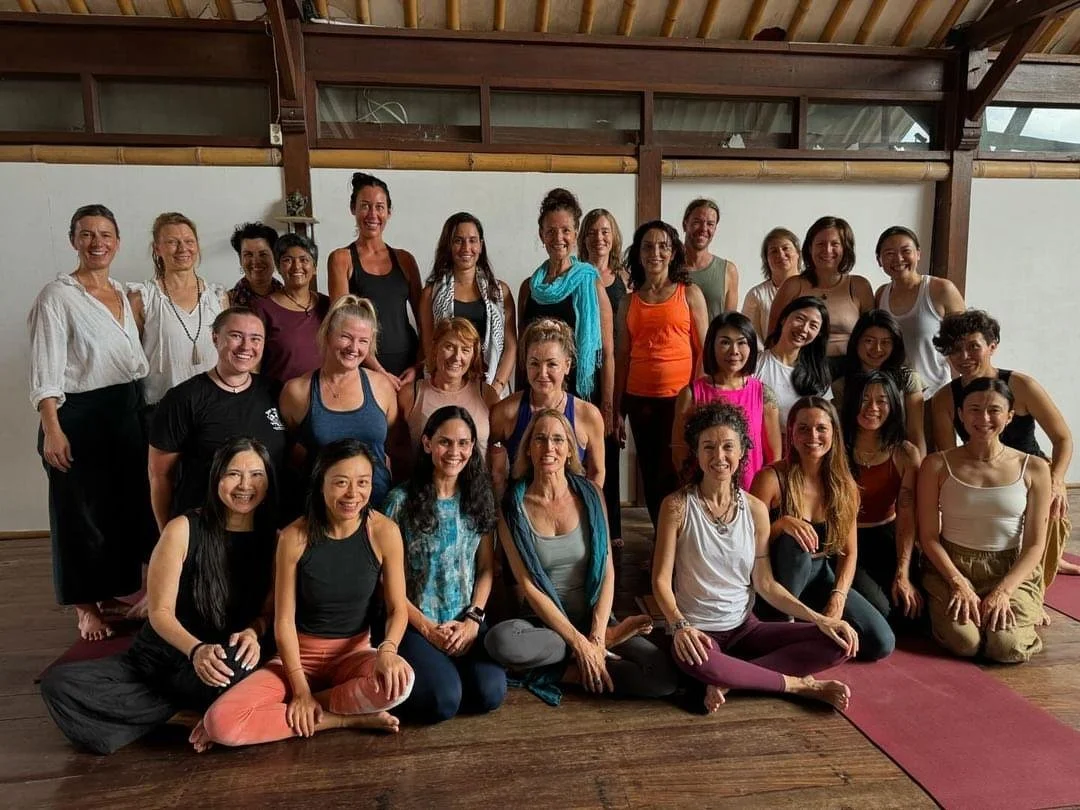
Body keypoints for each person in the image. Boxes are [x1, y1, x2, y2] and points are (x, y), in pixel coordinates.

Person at [40, 438, 278, 754]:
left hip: (218, 661)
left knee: (238, 672)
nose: (245, 485)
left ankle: (165, 712)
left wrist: (254, 632)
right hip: (164, 656)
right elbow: (160, 612)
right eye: (234, 474)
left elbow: (266, 613)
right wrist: (196, 651)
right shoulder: (182, 528)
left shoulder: (276, 539)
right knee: (59, 685)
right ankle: (186, 715)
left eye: (256, 475)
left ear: (268, 481)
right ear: (216, 477)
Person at [199, 439, 415, 746]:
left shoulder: (385, 532)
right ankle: (341, 720)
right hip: (297, 657)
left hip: (353, 654)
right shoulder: (293, 537)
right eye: (341, 483)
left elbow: (397, 608)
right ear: (321, 482)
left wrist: (389, 651)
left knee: (400, 683)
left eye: (363, 483)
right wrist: (300, 691)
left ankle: (297, 711)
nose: (353, 494)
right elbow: (283, 621)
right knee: (219, 724)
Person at [653, 402, 854, 714]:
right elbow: (660, 582)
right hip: (698, 633)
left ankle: (730, 679)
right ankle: (798, 685)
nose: (719, 457)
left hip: (746, 627)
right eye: (709, 447)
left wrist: (820, 619)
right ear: (696, 451)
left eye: (728, 447)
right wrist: (679, 626)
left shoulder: (755, 509)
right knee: (699, 659)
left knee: (838, 641)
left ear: (742, 450)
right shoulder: (677, 506)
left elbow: (765, 584)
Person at [485, 409, 678, 704]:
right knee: (499, 641)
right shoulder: (512, 506)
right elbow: (529, 587)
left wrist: (597, 636)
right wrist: (580, 643)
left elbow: (608, 571)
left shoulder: (590, 494)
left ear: (569, 449)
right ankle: (581, 668)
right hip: (544, 627)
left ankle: (583, 659)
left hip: (594, 618)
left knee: (661, 677)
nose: (549, 448)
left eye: (558, 440)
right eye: (540, 439)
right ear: (528, 447)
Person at [29, 204, 156, 641]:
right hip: (77, 413)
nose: (97, 242)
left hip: (126, 407)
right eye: (87, 234)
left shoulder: (124, 293)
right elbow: (46, 367)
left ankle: (113, 590)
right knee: (78, 511)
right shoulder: (58, 296)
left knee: (121, 504)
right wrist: (52, 426)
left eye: (105, 234)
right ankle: (85, 607)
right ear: (73, 241)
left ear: (118, 242)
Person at [382, 407, 507, 723]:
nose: (455, 452)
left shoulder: (479, 498)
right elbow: (384, 580)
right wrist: (426, 628)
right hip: (415, 622)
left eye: (464, 443)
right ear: (426, 443)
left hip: (465, 620)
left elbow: (486, 569)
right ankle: (433, 676)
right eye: (445, 442)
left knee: (490, 693)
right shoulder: (400, 501)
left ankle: (442, 673)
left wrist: (472, 620)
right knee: (443, 702)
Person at [929, 310, 1074, 580]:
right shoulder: (945, 399)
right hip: (982, 472)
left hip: (1031, 473)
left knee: (1051, 505)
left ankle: (1038, 585)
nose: (964, 357)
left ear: (992, 346)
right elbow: (947, 456)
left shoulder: (1022, 385)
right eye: (956, 350)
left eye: (973, 347)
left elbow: (1062, 438)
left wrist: (1057, 480)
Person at [750, 397, 895, 661]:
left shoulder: (845, 486)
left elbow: (849, 553)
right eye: (803, 428)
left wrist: (837, 598)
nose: (812, 436)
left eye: (821, 428)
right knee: (795, 543)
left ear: (834, 434)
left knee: (881, 642)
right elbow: (745, 544)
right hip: (775, 579)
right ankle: (781, 626)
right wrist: (781, 524)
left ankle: (808, 629)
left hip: (819, 575)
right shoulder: (771, 479)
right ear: (791, 433)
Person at [918, 378, 1050, 663]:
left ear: (1010, 416)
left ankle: (1027, 605)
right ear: (961, 415)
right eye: (974, 409)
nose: (984, 419)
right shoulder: (937, 464)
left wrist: (1004, 591)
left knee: (1004, 647)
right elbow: (928, 536)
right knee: (966, 643)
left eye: (994, 410)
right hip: (952, 565)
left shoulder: (1035, 468)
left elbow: (1036, 544)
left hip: (1010, 567)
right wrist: (958, 582)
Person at [149, 307, 287, 530]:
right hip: (204, 528)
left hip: (265, 528)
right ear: (215, 338)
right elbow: (160, 475)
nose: (246, 346)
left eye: (255, 339)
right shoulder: (183, 398)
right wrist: (169, 534)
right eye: (235, 336)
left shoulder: (275, 392)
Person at [615, 220, 709, 529]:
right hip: (639, 399)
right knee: (652, 474)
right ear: (638, 254)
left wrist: (696, 398)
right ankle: (662, 541)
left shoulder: (689, 293)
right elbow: (623, 357)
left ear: (672, 253)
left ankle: (687, 542)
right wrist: (616, 409)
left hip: (680, 400)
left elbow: (703, 351)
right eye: (647, 246)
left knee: (682, 469)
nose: (655, 252)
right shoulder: (628, 301)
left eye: (663, 246)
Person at [279, 295, 398, 511]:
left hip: (377, 507)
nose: (354, 347)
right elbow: (291, 455)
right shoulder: (297, 391)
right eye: (346, 337)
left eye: (363, 341)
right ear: (327, 335)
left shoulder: (382, 387)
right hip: (321, 511)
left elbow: (391, 444)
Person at [518, 188, 614, 422]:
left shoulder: (591, 285)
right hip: (539, 395)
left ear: (575, 234)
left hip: (583, 396)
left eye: (565, 231)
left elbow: (608, 353)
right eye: (550, 231)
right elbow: (523, 350)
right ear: (541, 235)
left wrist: (608, 407)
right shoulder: (529, 288)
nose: (558, 238)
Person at [488, 318, 605, 500]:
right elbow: (485, 460)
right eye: (534, 363)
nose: (542, 373)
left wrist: (588, 508)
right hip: (520, 512)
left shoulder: (588, 415)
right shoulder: (506, 412)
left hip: (570, 513)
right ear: (525, 364)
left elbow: (597, 471)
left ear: (567, 365)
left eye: (552, 364)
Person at [840, 371, 923, 620]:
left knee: (912, 609)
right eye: (864, 399)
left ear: (893, 406)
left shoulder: (905, 453)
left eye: (881, 401)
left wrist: (902, 572)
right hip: (846, 539)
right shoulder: (836, 446)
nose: (872, 408)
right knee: (881, 610)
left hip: (888, 536)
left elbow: (907, 516)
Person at [128, 212, 228, 418]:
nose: (183, 248)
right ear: (157, 248)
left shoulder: (218, 297)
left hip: (214, 406)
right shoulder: (142, 297)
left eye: (189, 241)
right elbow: (129, 358)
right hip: (161, 408)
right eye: (172, 242)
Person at [328, 172, 423, 388]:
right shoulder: (341, 259)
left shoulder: (405, 260)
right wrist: (380, 371)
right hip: (362, 363)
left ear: (389, 212)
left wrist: (419, 365)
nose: (373, 214)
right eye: (365, 206)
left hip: (408, 365)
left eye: (379, 207)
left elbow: (423, 320)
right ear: (353, 209)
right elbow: (340, 322)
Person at [672, 311, 781, 490]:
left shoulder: (764, 394)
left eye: (742, 343)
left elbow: (774, 456)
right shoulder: (691, 394)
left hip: (751, 494)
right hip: (703, 492)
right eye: (725, 342)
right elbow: (679, 450)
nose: (734, 351)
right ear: (711, 346)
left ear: (752, 347)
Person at [420, 212, 516, 394]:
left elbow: (511, 346)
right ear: (448, 245)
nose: (466, 247)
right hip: (447, 386)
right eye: (458, 240)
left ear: (481, 245)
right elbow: (428, 347)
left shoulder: (500, 292)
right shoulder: (430, 294)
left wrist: (496, 387)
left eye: (473, 240)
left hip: (490, 386)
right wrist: (448, 387)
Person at [579, 208, 630, 548]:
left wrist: (614, 404)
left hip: (610, 371)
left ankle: (612, 528)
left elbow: (622, 342)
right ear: (584, 237)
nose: (600, 237)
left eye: (606, 231)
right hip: (581, 370)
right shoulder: (577, 274)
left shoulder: (626, 278)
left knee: (608, 447)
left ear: (614, 237)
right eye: (594, 231)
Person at [396, 317, 499, 481]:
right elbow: (397, 452)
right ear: (435, 348)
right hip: (424, 491)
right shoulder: (410, 394)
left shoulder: (487, 395)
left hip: (476, 494)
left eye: (465, 350)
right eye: (449, 347)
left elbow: (497, 452)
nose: (457, 357)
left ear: (474, 356)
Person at [874, 226, 965, 399]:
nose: (898, 259)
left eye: (905, 251)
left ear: (918, 254)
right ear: (879, 260)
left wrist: (961, 390)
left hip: (936, 394)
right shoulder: (881, 294)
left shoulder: (941, 289)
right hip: (893, 396)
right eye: (889, 253)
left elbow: (964, 342)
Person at [768, 216, 873, 357]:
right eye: (821, 244)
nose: (827, 250)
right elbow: (772, 338)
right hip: (800, 369)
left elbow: (872, 338)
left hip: (850, 369)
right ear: (810, 248)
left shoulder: (860, 286)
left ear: (845, 249)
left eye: (835, 244)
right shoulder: (792, 285)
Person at [833, 310, 926, 457]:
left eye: (885, 342)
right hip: (856, 458)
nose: (877, 349)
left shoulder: (908, 378)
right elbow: (842, 433)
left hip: (899, 459)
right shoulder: (841, 384)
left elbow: (916, 433)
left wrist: (918, 471)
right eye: (869, 341)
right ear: (856, 341)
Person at [250, 232, 331, 386]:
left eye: (304, 260)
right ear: (279, 268)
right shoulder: (262, 308)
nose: (296, 266)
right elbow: (253, 363)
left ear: (314, 268)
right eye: (287, 260)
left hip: (324, 398)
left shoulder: (327, 305)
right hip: (278, 398)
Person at [755, 296, 832, 431]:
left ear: (818, 334)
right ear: (784, 319)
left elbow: (825, 420)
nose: (804, 329)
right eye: (800, 319)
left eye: (813, 326)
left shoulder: (818, 372)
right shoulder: (757, 363)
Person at [681, 198, 739, 319]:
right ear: (685, 224)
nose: (703, 229)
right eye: (697, 222)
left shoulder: (728, 270)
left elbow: (729, 324)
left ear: (715, 229)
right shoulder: (667, 267)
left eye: (710, 224)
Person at [743, 227, 802, 344]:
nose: (780, 254)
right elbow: (750, 336)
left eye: (786, 248)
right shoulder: (756, 295)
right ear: (766, 259)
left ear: (798, 253)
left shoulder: (814, 288)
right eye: (774, 251)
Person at [227, 222, 281, 307]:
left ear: (275, 256)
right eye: (248, 254)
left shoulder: (289, 297)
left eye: (263, 254)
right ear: (240, 259)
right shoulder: (227, 302)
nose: (256, 261)